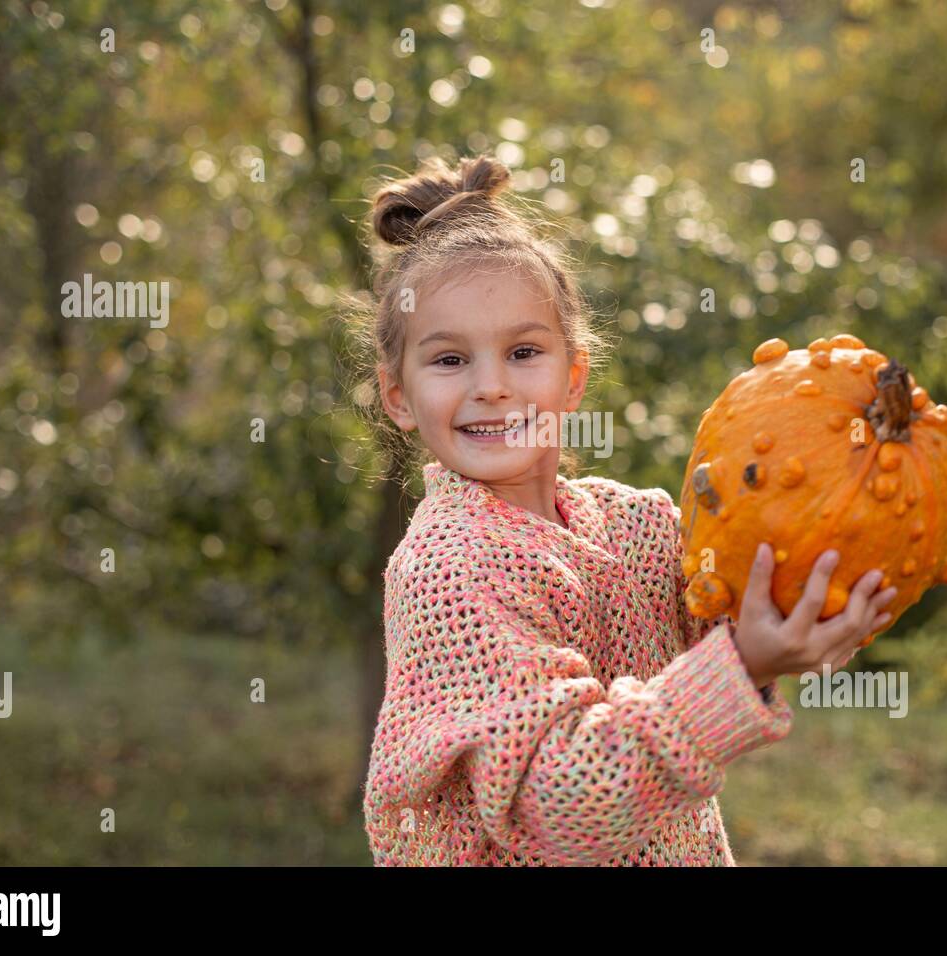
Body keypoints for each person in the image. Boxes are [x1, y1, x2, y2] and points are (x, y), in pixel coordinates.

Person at [351, 153, 895, 866]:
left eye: (523, 351)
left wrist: (831, 561)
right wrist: (743, 663)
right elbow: (565, 806)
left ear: (573, 376)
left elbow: (738, 613)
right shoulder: (450, 570)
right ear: (398, 396)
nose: (490, 387)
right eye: (449, 360)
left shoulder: (638, 527)